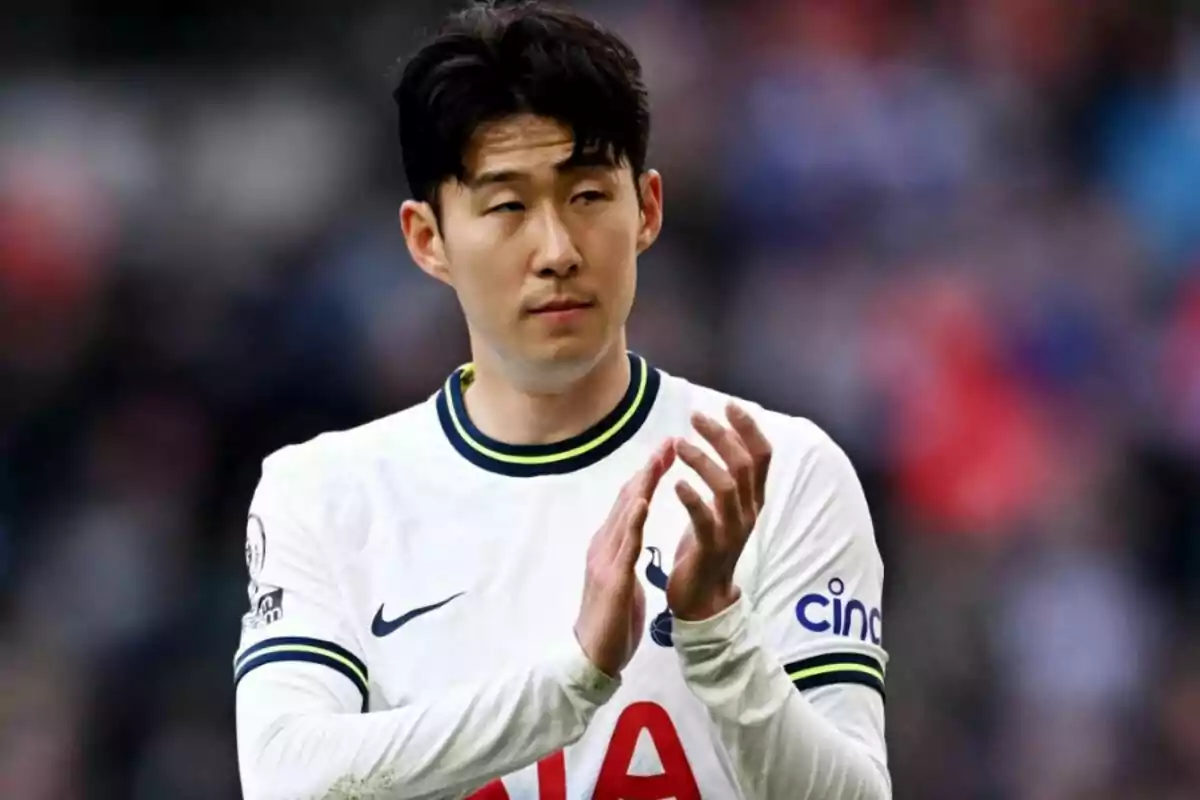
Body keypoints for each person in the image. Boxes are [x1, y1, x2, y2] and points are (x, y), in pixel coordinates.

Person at [233, 2, 891, 798]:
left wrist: (717, 632)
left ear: (646, 208)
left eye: (586, 196)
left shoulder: (774, 473)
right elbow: (286, 781)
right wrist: (573, 678)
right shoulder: (327, 492)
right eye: (507, 206)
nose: (557, 251)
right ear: (426, 239)